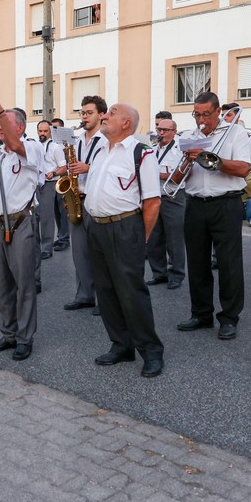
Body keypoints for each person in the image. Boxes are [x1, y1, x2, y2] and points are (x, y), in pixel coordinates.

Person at [83, 103, 164, 378]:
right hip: (97, 227)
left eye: (112, 112)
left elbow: (152, 202)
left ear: (127, 122)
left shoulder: (141, 153)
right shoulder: (100, 150)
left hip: (125, 228)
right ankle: (121, 345)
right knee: (105, 291)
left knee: (131, 293)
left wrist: (141, 239)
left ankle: (151, 351)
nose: (105, 115)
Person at [172, 92, 251, 340]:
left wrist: (210, 160)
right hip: (195, 203)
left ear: (218, 111)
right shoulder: (188, 137)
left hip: (226, 203)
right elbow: (176, 179)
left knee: (229, 263)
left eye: (206, 114)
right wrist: (187, 162)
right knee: (197, 262)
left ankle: (229, 317)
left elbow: (243, 168)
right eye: (196, 114)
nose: (201, 120)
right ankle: (201, 313)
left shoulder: (237, 133)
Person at [0, 98, 44, 361]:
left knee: (24, 284)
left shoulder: (31, 146)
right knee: (2, 284)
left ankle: (24, 338)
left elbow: (17, 146)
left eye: (4, 123)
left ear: (18, 127)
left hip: (21, 222)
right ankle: (8, 333)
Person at [63, 95, 107, 314]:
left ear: (101, 115)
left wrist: (87, 167)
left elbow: (109, 168)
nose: (84, 116)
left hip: (96, 200)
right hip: (77, 197)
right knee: (79, 253)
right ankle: (84, 295)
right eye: (82, 112)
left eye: (89, 112)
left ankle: (103, 299)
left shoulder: (108, 139)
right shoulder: (78, 140)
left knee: (99, 254)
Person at [146, 118, 186, 290]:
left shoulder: (180, 150)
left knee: (174, 238)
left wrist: (156, 173)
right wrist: (161, 174)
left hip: (173, 197)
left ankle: (176, 274)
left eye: (165, 130)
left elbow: (178, 176)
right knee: (154, 238)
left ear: (174, 131)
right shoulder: (153, 149)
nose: (161, 133)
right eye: (159, 129)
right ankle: (158, 273)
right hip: (154, 196)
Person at [36, 119, 66, 261]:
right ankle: (36, 246)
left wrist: (53, 173)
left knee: (46, 218)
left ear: (50, 132)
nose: (42, 133)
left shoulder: (55, 147)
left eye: (45, 131)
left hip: (49, 184)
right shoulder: (34, 145)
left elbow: (63, 167)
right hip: (35, 184)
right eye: (40, 131)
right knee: (34, 217)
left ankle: (46, 248)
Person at [49, 117, 70, 251]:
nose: (53, 131)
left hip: (64, 180)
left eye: (55, 128)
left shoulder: (67, 144)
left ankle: (64, 239)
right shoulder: (50, 145)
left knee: (64, 212)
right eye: (52, 128)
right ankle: (60, 236)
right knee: (56, 211)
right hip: (53, 182)